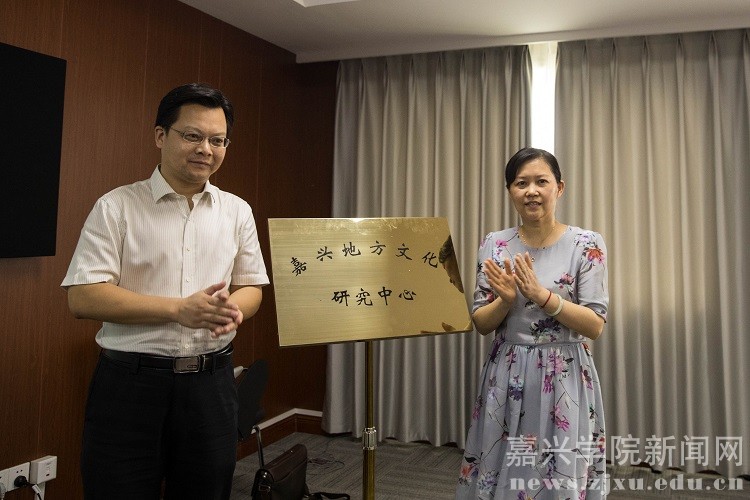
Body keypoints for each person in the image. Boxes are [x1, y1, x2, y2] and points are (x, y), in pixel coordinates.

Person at [62, 83, 269, 500]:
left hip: (211, 386)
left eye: (218, 140)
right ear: (161, 135)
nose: (206, 149)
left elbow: (251, 286)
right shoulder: (116, 206)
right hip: (129, 386)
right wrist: (178, 310)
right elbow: (83, 297)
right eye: (192, 136)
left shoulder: (237, 210)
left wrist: (231, 309)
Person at [455, 147, 608, 499]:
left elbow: (594, 325)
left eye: (541, 181)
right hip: (507, 372)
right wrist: (506, 300)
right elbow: (481, 322)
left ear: (559, 187)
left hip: (564, 373)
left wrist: (542, 296)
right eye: (521, 183)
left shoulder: (586, 244)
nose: (531, 191)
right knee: (505, 466)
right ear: (510, 190)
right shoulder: (495, 244)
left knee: (560, 470)